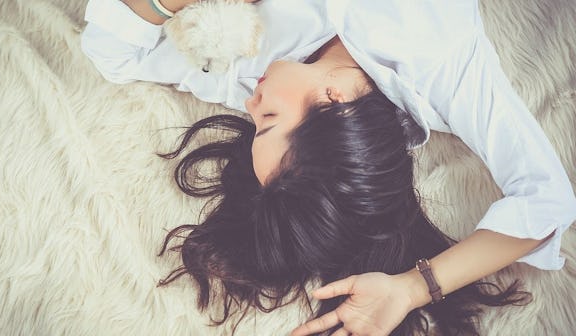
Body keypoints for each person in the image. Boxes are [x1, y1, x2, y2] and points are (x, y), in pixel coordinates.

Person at [81, 0, 576, 335]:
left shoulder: (246, 74)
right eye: (269, 119)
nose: (251, 105)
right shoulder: (437, 57)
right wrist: (411, 288)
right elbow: (547, 201)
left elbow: (114, 56)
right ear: (334, 103)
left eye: (254, 127)